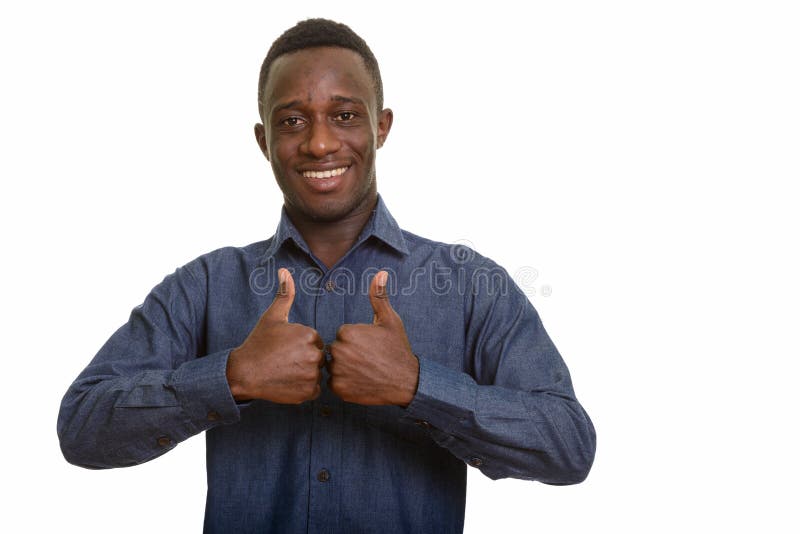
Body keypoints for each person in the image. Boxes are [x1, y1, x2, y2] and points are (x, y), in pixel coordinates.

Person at [57, 18, 596, 534]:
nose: (319, 144)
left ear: (380, 126)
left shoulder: (469, 284)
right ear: (264, 140)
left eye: (344, 115)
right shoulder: (203, 286)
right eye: (292, 121)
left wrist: (417, 385)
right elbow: (81, 428)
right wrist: (232, 376)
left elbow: (569, 446)